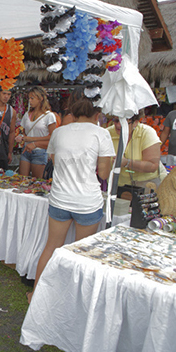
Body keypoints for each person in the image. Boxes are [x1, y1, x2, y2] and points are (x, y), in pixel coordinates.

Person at [27, 96, 115, 303]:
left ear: (73, 114)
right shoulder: (102, 134)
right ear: (97, 115)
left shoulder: (58, 132)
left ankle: (35, 293)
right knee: (81, 252)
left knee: (51, 247)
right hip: (87, 201)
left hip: (60, 198)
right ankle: (73, 301)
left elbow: (55, 161)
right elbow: (103, 174)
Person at [107, 110, 167, 189]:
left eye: (124, 122)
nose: (118, 125)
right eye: (116, 120)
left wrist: (127, 162)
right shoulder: (107, 133)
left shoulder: (147, 133)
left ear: (135, 122)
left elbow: (153, 166)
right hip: (119, 185)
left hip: (147, 184)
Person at [17, 86, 58, 178]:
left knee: (37, 181)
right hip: (26, 149)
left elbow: (52, 136)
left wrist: (32, 140)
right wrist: (22, 136)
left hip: (40, 151)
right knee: (22, 179)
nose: (30, 101)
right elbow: (22, 130)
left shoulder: (49, 116)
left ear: (40, 99)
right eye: (29, 98)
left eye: (32, 98)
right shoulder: (27, 114)